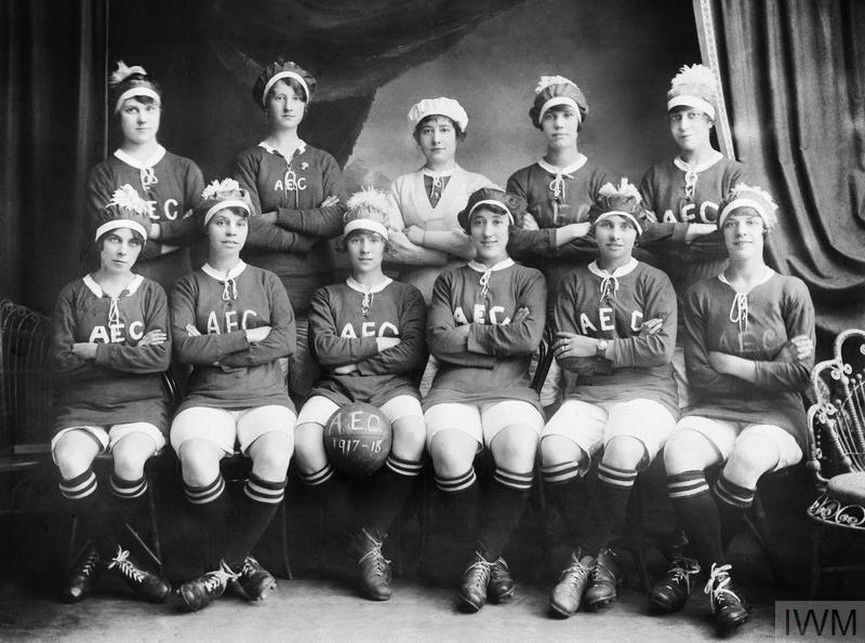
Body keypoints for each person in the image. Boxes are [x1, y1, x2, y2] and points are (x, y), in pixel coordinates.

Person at [661, 184, 814, 633]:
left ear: (764, 230)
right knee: (678, 451)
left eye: (750, 222)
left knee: (747, 456)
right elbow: (702, 376)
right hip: (714, 408)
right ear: (722, 232)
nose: (741, 230)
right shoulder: (700, 293)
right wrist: (772, 363)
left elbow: (800, 377)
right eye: (731, 223)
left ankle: (689, 565)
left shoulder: (790, 289)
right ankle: (718, 578)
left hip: (777, 415)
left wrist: (735, 364)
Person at [538, 180, 677, 617]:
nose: (615, 235)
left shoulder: (655, 280)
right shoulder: (574, 282)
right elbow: (568, 355)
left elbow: (659, 352)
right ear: (593, 231)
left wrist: (598, 347)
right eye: (607, 226)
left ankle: (582, 562)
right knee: (552, 450)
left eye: (625, 226)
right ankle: (606, 555)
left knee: (622, 451)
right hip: (589, 395)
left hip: (649, 394)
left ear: (637, 233)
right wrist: (628, 351)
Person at [169, 179, 297, 612]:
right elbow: (183, 349)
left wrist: (217, 352)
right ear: (207, 228)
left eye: (239, 223)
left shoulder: (267, 280)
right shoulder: (187, 286)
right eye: (221, 222)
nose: (230, 230)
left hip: (266, 396)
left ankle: (222, 570)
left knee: (275, 456)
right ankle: (244, 565)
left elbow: (284, 341)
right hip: (207, 399)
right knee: (195, 459)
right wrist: (247, 337)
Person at [294, 188, 428, 601]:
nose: (365, 248)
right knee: (304, 441)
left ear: (385, 244)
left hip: (391, 388)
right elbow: (324, 351)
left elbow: (412, 353)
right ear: (344, 244)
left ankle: (371, 538)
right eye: (356, 239)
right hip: (335, 389)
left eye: (373, 239)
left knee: (413, 433)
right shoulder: (328, 295)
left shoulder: (406, 295)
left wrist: (353, 362)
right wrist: (377, 345)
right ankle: (359, 540)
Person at [424, 187, 546, 612]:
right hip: (452, 390)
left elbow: (527, 339)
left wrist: (468, 335)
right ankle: (493, 559)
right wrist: (499, 338)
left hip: (510, 389)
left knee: (519, 449)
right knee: (450, 455)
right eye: (479, 222)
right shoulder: (449, 279)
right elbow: (438, 342)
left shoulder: (529, 278)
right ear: (469, 229)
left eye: (497, 222)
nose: (488, 231)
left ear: (510, 228)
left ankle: (479, 562)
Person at [52, 184, 171, 604]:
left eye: (133, 242)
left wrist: (96, 351)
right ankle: (120, 560)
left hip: (140, 405)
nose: (123, 250)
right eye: (115, 240)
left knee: (130, 461)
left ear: (140, 248)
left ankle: (94, 556)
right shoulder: (73, 294)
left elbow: (159, 359)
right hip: (81, 406)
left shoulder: (152, 293)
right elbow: (61, 362)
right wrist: (132, 350)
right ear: (100, 243)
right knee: (71, 461)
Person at [232, 59, 346, 400]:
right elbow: (249, 228)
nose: (288, 105)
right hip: (265, 288)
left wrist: (276, 215)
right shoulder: (250, 160)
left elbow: (336, 219)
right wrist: (309, 233)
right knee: (270, 387)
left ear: (305, 105)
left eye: (296, 98)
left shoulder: (323, 161)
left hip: (316, 290)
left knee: (308, 383)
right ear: (266, 103)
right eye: (279, 97)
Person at [639, 63, 749, 409]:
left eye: (692, 116)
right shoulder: (656, 176)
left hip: (721, 295)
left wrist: (669, 238)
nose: (683, 125)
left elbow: (735, 238)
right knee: (676, 396)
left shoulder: (733, 173)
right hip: (669, 297)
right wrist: (692, 230)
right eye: (676, 117)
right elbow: (639, 234)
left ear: (710, 120)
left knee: (720, 391)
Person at [507, 74, 618, 406]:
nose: (559, 124)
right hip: (537, 290)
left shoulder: (600, 178)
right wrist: (574, 230)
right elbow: (513, 242)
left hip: (589, 290)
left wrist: (539, 237)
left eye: (566, 115)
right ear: (540, 123)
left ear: (578, 120)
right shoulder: (522, 179)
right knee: (540, 379)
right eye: (551, 116)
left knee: (580, 380)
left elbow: (604, 242)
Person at [86, 61, 205, 291]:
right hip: (127, 296)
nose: (142, 119)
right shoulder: (103, 176)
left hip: (181, 293)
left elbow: (201, 227)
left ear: (160, 111)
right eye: (132, 110)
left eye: (150, 109)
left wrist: (151, 231)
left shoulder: (186, 169)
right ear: (118, 115)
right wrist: (176, 240)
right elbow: (107, 243)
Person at [387, 97, 491, 303]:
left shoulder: (479, 185)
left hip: (468, 292)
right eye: (427, 131)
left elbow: (477, 244)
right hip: (413, 292)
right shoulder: (401, 185)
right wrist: (440, 256)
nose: (436, 139)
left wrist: (421, 237)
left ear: (458, 136)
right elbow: (391, 243)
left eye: (444, 130)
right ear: (417, 138)